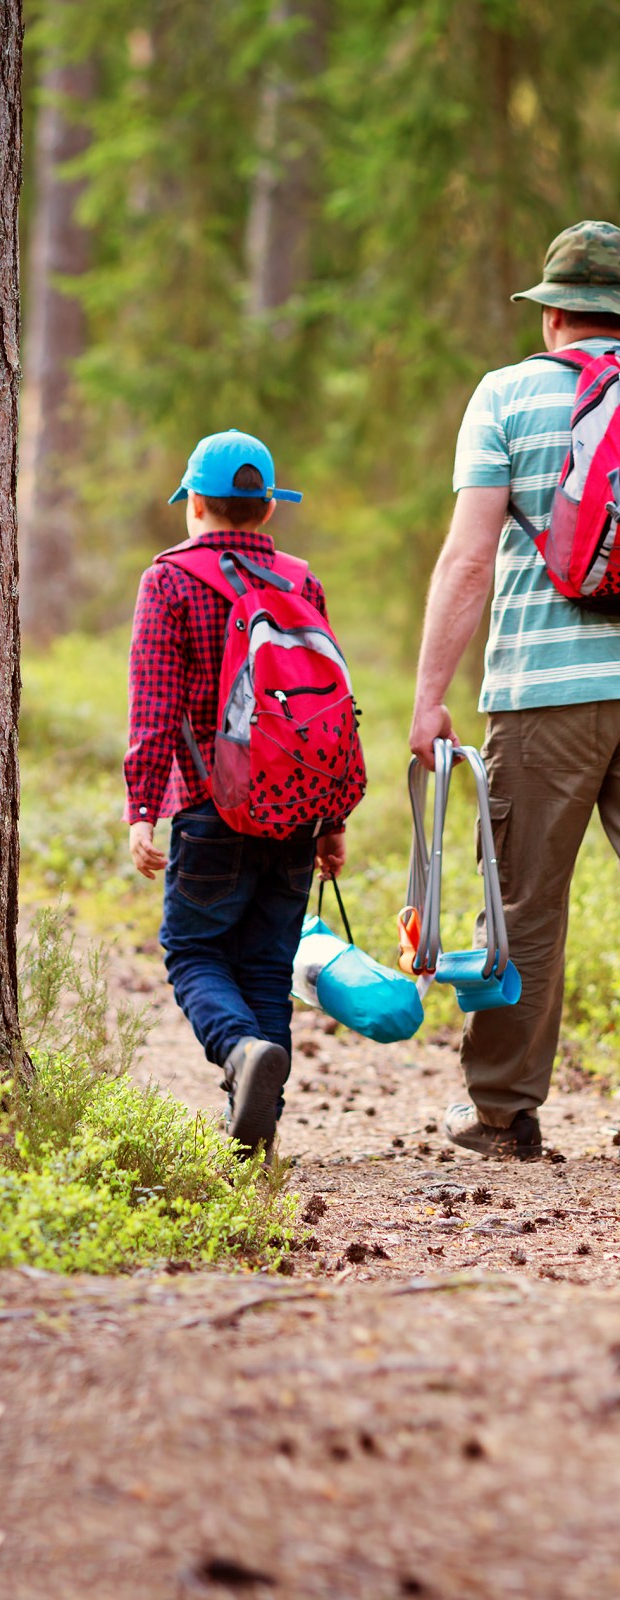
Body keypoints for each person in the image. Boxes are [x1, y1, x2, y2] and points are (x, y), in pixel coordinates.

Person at [409, 220, 620, 1161]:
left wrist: (428, 698)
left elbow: (468, 562)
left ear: (553, 318)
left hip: (545, 692)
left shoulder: (505, 395)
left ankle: (501, 1112)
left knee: (526, 904)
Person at [126, 430, 351, 1153]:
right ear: (266, 510)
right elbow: (331, 707)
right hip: (297, 807)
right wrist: (332, 817)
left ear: (194, 503)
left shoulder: (170, 579)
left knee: (191, 952)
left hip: (208, 805)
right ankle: (258, 1131)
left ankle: (236, 1052)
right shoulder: (301, 579)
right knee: (263, 963)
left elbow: (155, 706)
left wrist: (141, 809)